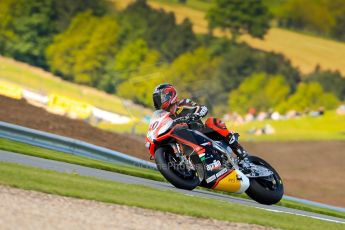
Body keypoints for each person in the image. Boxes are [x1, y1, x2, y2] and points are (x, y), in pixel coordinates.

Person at [152, 83, 248, 161]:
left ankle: (239, 150)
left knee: (212, 122)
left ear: (169, 95)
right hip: (186, 142)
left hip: (202, 133)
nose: (157, 102)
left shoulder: (183, 103)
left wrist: (196, 114)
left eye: (158, 99)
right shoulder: (164, 117)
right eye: (155, 100)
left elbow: (202, 108)